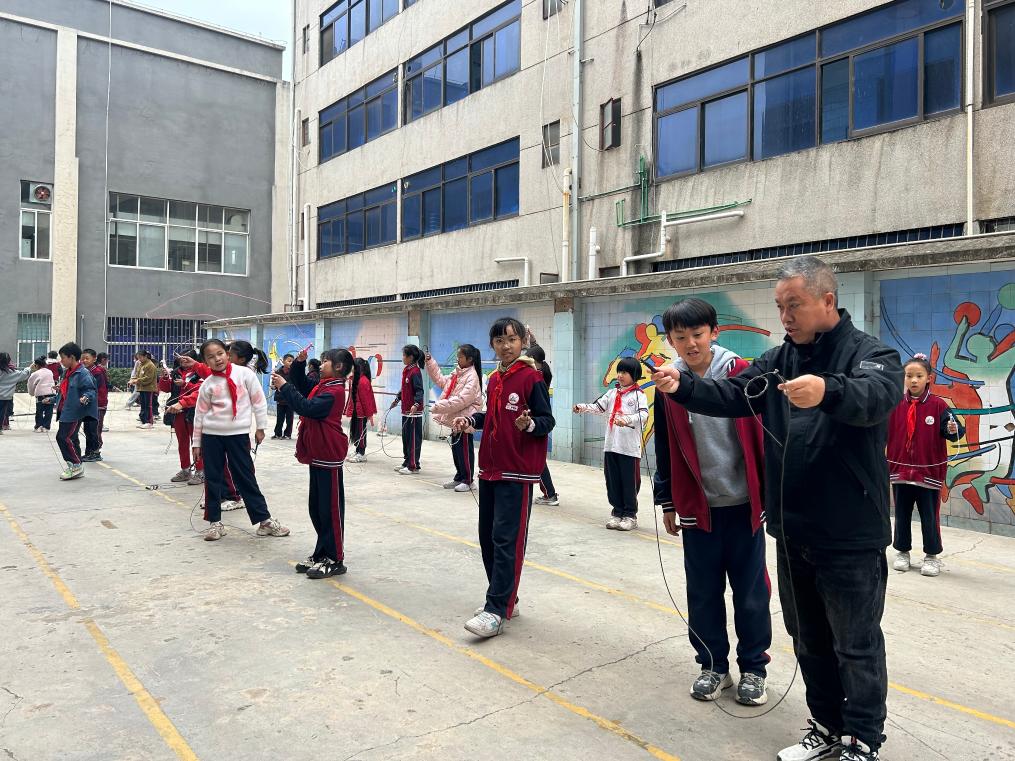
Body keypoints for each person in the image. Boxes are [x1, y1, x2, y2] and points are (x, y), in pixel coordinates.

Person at [652, 256, 902, 761]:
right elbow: (734, 393)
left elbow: (877, 395)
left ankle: (862, 740)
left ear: (827, 301)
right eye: (779, 307)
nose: (785, 316)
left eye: (794, 305)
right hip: (792, 530)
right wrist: (684, 387)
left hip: (849, 534)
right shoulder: (777, 360)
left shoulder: (871, 354)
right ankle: (827, 728)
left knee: (855, 644)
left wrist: (828, 390)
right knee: (808, 638)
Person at [652, 298, 771, 707]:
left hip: (744, 505)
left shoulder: (741, 373)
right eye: (680, 337)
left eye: (698, 334)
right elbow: (665, 444)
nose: (690, 343)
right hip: (697, 508)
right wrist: (667, 499)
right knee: (702, 593)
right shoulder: (668, 382)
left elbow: (766, 434)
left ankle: (754, 668)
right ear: (670, 340)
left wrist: (771, 493)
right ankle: (713, 666)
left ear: (714, 333)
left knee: (751, 593)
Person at [452, 317, 555, 638]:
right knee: (488, 538)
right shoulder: (494, 378)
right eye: (499, 341)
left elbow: (547, 419)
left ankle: (496, 609)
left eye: (511, 339)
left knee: (506, 540)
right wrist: (471, 421)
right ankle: (507, 598)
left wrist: (530, 424)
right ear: (492, 345)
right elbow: (492, 416)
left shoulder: (532, 378)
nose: (506, 346)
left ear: (523, 341)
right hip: (490, 469)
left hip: (517, 471)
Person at [191, 339, 289, 542]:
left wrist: (261, 427)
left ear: (227, 353)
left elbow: (258, 401)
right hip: (212, 437)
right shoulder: (208, 384)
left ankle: (264, 521)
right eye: (211, 357)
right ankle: (215, 523)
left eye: (220, 353)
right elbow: (199, 415)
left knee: (245, 477)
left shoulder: (244, 374)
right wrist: (196, 443)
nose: (217, 359)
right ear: (205, 362)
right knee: (213, 479)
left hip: (238, 435)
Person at [272, 348, 357, 578]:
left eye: (325, 361)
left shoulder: (334, 391)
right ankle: (321, 553)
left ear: (338, 367)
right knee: (317, 509)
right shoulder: (323, 386)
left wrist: (284, 387)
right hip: (318, 453)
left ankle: (335, 559)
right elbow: (301, 385)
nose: (320, 365)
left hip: (329, 454)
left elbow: (306, 407)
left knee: (330, 510)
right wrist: (298, 364)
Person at [887, 353, 965, 578]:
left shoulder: (939, 406)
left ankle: (931, 556)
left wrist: (953, 430)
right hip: (901, 471)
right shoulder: (895, 405)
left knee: (929, 517)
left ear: (929, 378)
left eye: (919, 376)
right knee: (901, 515)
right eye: (909, 375)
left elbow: (955, 432)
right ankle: (902, 552)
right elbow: (881, 433)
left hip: (928, 473)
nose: (913, 380)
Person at [573, 357, 648, 531]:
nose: (620, 375)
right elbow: (598, 407)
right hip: (611, 446)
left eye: (625, 372)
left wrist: (627, 419)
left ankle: (630, 515)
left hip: (629, 448)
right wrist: (581, 407)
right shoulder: (612, 393)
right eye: (619, 371)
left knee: (629, 482)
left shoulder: (639, 395)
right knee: (612, 481)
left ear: (635, 375)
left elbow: (643, 415)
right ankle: (617, 512)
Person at [426, 344, 484, 492]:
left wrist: (439, 406)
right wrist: (430, 362)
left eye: (460, 357)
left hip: (465, 420)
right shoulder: (458, 373)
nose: (457, 359)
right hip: (456, 419)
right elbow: (441, 381)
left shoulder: (472, 377)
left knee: (464, 450)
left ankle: (468, 480)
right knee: (456, 450)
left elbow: (461, 400)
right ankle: (459, 477)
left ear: (469, 359)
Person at [51, 342, 97, 481]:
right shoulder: (68, 372)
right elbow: (68, 390)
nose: (61, 361)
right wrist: (57, 393)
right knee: (72, 438)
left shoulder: (82, 373)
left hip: (75, 411)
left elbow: (90, 389)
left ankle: (76, 465)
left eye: (63, 357)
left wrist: (86, 397)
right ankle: (76, 465)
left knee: (63, 437)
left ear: (71, 357)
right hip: (66, 410)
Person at [162, 353, 205, 483]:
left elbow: (201, 390)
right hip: (178, 412)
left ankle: (201, 471)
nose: (183, 361)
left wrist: (185, 385)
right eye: (181, 359)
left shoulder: (200, 372)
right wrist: (165, 378)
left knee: (196, 442)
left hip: (193, 411)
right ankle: (185, 469)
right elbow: (166, 388)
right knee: (182, 442)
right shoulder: (176, 372)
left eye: (186, 359)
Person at [526, 341, 560, 507]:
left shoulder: (537, 375)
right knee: (537, 460)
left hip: (537, 422)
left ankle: (550, 494)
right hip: (535, 421)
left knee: (538, 461)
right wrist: (533, 342)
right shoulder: (542, 371)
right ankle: (549, 493)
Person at [390, 344, 424, 475]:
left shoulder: (415, 372)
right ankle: (407, 461)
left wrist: (416, 404)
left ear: (411, 357)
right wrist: (397, 399)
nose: (403, 357)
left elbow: (419, 391)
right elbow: (404, 389)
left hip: (414, 412)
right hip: (405, 411)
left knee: (413, 439)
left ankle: (413, 465)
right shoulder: (407, 370)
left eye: (404, 355)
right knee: (406, 438)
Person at [346, 357, 377, 463]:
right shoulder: (355, 379)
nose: (352, 368)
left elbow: (366, 400)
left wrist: (369, 415)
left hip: (361, 413)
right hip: (356, 412)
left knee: (361, 433)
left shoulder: (363, 381)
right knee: (355, 432)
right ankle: (357, 450)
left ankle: (361, 453)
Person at [80, 349, 108, 462]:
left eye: (87, 358)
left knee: (94, 429)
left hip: (97, 405)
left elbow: (93, 388)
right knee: (87, 429)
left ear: (94, 359)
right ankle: (89, 452)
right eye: (83, 359)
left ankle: (96, 452)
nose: (84, 361)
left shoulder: (97, 372)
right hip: (89, 404)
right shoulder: (86, 371)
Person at [0, 353, 31, 432]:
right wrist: (29, 368)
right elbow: (24, 374)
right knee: (2, 412)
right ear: (8, 361)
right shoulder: (12, 372)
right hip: (5, 397)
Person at [28, 357, 57, 432]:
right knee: (49, 411)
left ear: (36, 365)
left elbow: (30, 384)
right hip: (51, 392)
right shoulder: (50, 372)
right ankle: (46, 427)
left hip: (41, 394)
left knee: (39, 411)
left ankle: (38, 426)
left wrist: (31, 393)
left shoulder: (35, 373)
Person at [272, 354, 296, 440]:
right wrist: (274, 386)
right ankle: (277, 433)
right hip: (280, 398)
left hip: (290, 399)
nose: (291, 363)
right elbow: (274, 383)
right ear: (283, 361)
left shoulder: (294, 373)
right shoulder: (278, 372)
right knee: (280, 418)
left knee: (289, 418)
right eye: (289, 361)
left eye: (292, 361)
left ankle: (287, 434)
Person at [134, 351, 158, 429]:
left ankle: (149, 422)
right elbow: (137, 375)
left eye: (140, 357)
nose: (139, 359)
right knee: (143, 405)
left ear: (145, 356)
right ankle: (144, 421)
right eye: (138, 358)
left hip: (149, 388)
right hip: (142, 388)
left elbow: (149, 378)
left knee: (148, 406)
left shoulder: (150, 365)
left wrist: (137, 380)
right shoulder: (141, 364)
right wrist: (133, 380)